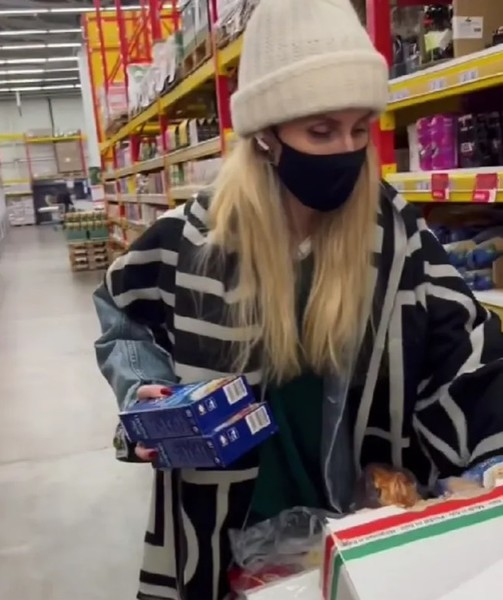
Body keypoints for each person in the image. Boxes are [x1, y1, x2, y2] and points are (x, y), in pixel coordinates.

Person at [93, 0, 503, 598]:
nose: (347, 149)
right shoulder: (194, 241)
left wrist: (492, 454)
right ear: (265, 135)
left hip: (362, 517)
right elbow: (124, 318)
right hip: (233, 517)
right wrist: (143, 388)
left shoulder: (393, 235)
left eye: (359, 129)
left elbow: (465, 343)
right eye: (321, 131)